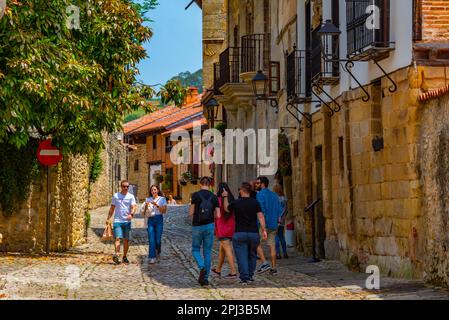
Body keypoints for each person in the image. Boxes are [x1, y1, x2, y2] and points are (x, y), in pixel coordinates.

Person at [222, 182, 267, 285]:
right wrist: (264, 230)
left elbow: (226, 208)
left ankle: (244, 278)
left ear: (242, 191)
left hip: (240, 233)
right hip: (253, 233)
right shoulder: (255, 203)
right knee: (252, 255)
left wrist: (225, 197)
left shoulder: (237, 203)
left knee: (241, 256)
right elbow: (260, 216)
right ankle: (250, 276)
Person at [189, 177, 221, 286]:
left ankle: (201, 266)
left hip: (197, 226)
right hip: (209, 226)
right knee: (207, 252)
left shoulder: (196, 195)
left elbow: (191, 212)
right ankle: (205, 278)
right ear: (210, 184)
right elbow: (218, 215)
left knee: (195, 249)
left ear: (200, 183)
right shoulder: (214, 197)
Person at [255, 176, 283, 275]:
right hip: (274, 224)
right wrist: (278, 219)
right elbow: (280, 209)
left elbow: (261, 210)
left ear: (262, 184)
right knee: (272, 246)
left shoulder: (259, 195)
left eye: (258, 183)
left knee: (256, 243)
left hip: (264, 224)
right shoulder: (274, 195)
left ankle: (264, 263)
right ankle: (274, 268)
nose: (256, 185)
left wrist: (262, 226)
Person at [106, 180, 137, 265]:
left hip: (127, 221)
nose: (126, 188)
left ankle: (124, 256)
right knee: (117, 238)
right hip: (117, 221)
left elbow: (134, 207)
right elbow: (112, 208)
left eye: (127, 186)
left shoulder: (131, 196)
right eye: (124, 186)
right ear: (121, 187)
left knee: (126, 240)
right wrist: (108, 218)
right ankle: (117, 254)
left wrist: (132, 214)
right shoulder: (116, 196)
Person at [211, 183, 238, 279]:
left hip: (222, 227)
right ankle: (218, 269)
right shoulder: (232, 200)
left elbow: (216, 214)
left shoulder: (218, 200)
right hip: (231, 227)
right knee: (222, 249)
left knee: (227, 249)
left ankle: (233, 271)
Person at [144, 185, 167, 265]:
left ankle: (158, 248)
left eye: (155, 190)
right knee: (151, 239)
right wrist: (146, 206)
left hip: (159, 219)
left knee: (158, 239)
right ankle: (152, 257)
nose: (153, 191)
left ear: (157, 190)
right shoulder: (148, 199)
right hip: (150, 219)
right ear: (150, 191)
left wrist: (156, 205)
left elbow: (164, 211)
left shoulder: (162, 199)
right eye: (152, 190)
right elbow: (144, 212)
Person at [273, 184, 288, 259]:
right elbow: (286, 210)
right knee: (281, 236)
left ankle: (278, 253)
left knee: (276, 236)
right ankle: (285, 252)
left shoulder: (274, 199)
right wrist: (282, 216)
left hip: (275, 219)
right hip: (282, 219)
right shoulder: (284, 198)